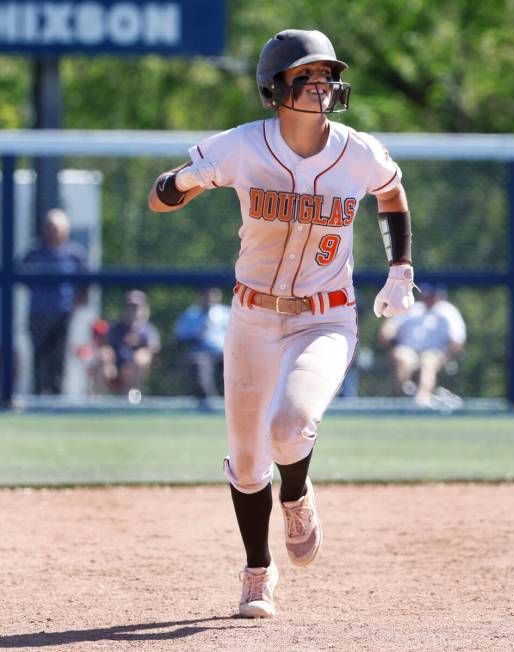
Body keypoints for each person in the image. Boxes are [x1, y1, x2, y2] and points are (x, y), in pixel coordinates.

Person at [148, 29, 416, 618]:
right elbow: (159, 197)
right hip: (251, 317)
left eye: (327, 78)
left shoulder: (358, 151)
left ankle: (295, 496)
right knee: (246, 461)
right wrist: (186, 183)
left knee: (291, 426)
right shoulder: (243, 147)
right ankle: (256, 573)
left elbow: (391, 195)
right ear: (275, 91)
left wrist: (401, 269)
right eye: (307, 78)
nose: (321, 87)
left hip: (325, 318)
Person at [22, 208, 88, 394]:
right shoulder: (34, 253)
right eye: (50, 228)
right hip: (38, 313)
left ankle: (56, 395)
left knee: (58, 356)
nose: (53, 232)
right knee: (39, 354)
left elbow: (86, 282)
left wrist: (79, 301)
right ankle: (37, 393)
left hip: (63, 313)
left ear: (65, 230)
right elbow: (21, 276)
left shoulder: (75, 254)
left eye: (57, 228)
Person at [378, 284, 466, 405]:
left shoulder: (448, 311)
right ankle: (401, 401)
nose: (429, 298)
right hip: (409, 351)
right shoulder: (412, 307)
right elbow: (389, 329)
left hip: (436, 353)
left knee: (427, 361)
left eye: (432, 295)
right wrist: (388, 335)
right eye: (427, 294)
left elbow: (458, 339)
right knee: (402, 357)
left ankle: (421, 402)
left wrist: (447, 354)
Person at [92, 290, 161, 396]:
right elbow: (105, 346)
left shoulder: (148, 330)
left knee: (140, 358)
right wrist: (107, 356)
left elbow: (154, 351)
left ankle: (131, 400)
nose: (132, 310)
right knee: (102, 355)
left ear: (143, 308)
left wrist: (142, 351)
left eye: (136, 306)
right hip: (114, 368)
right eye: (130, 306)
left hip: (134, 369)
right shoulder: (115, 328)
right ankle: (98, 401)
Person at [174, 287, 231, 399]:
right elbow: (180, 337)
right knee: (199, 364)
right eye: (205, 294)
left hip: (226, 353)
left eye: (212, 293)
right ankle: (210, 401)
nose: (209, 297)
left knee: (238, 363)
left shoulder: (226, 313)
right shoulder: (191, 314)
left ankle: (236, 401)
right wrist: (195, 337)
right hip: (201, 352)